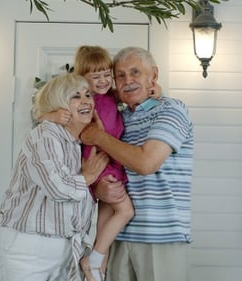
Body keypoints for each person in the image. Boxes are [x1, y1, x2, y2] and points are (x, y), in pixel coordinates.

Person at [40, 45, 163, 281]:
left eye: (107, 75)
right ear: (82, 80)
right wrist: (52, 116)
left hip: (112, 162)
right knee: (125, 211)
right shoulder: (85, 101)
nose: (104, 81)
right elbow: (44, 112)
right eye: (95, 78)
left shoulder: (110, 96)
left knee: (105, 223)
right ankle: (93, 259)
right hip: (101, 163)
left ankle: (97, 270)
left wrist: (154, 87)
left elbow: (130, 90)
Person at [80, 46, 194, 281]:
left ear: (153, 74)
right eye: (120, 75)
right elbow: (108, 165)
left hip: (160, 237)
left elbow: (146, 163)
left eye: (135, 73)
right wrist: (99, 188)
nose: (127, 80)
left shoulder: (171, 110)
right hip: (119, 237)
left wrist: (100, 136)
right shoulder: (119, 117)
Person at [0, 73, 110, 281]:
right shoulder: (45, 134)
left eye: (87, 95)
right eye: (75, 96)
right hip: (29, 248)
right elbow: (57, 188)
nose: (85, 101)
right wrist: (87, 177)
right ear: (59, 104)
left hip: (65, 250)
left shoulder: (78, 145)